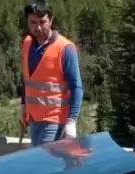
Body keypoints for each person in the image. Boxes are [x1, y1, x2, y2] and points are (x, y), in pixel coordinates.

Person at [20, 0, 82, 147]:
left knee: (42, 167)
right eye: (33, 22)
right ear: (27, 22)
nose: (38, 27)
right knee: (38, 167)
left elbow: (77, 87)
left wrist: (71, 121)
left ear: (51, 19)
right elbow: (26, 79)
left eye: (42, 22)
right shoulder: (27, 43)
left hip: (54, 122)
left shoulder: (65, 48)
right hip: (33, 120)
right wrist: (23, 107)